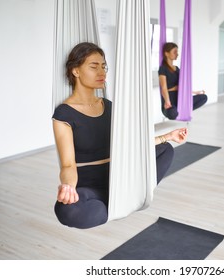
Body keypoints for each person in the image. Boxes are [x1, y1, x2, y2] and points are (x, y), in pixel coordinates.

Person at [52, 42, 188, 229]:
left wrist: (168, 136)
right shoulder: (64, 114)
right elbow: (67, 164)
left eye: (103, 67)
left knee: (165, 150)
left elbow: (132, 145)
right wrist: (68, 186)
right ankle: (120, 203)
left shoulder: (108, 106)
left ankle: (125, 199)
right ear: (75, 71)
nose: (102, 73)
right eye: (94, 67)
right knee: (67, 211)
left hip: (120, 176)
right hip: (90, 185)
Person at [158, 42, 208, 120]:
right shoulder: (163, 69)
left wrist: (195, 92)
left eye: (177, 52)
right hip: (170, 104)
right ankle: (179, 112)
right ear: (166, 54)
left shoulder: (177, 69)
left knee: (204, 97)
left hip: (180, 101)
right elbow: (163, 88)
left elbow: (182, 86)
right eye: (174, 52)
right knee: (172, 113)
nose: (177, 54)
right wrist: (167, 102)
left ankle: (182, 111)